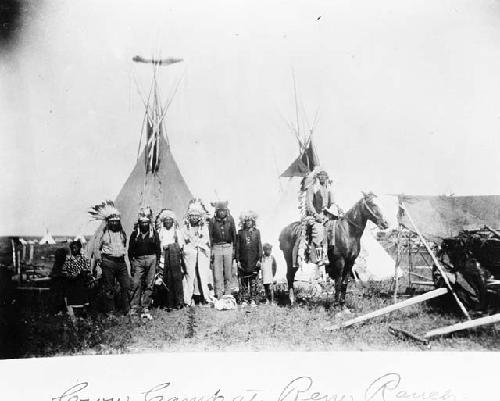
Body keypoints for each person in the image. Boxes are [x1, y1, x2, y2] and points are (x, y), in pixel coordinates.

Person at [89, 201, 130, 316]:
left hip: (121, 263)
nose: (114, 224)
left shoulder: (122, 233)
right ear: (108, 222)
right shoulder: (103, 233)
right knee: (109, 288)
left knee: (126, 285)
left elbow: (125, 244)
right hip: (108, 262)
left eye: (116, 222)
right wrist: (99, 260)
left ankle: (126, 309)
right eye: (112, 222)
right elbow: (97, 247)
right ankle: (110, 311)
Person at [128, 207, 160, 319]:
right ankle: (134, 306)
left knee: (149, 284)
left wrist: (156, 264)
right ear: (139, 223)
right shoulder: (134, 235)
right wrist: (132, 263)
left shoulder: (154, 234)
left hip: (151, 259)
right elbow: (130, 251)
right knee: (136, 283)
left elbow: (158, 249)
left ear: (149, 223)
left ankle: (146, 305)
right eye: (142, 222)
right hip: (138, 260)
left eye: (146, 222)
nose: (144, 224)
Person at [304, 167, 338, 265]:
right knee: (318, 234)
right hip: (315, 215)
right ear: (317, 178)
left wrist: (330, 214)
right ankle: (319, 258)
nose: (322, 178)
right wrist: (316, 215)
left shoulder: (328, 189)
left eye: (324, 177)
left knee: (333, 234)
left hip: (327, 215)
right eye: (320, 177)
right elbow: (309, 203)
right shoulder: (313, 188)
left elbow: (331, 203)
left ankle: (329, 256)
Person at [182, 199, 213, 306]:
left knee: (203, 276)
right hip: (190, 255)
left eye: (196, 216)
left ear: (199, 217)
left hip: (201, 254)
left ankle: (203, 297)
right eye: (192, 216)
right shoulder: (185, 228)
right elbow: (183, 241)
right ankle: (189, 298)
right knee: (190, 276)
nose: (194, 218)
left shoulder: (204, 227)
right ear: (189, 217)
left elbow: (206, 240)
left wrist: (200, 244)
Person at [157, 208, 185, 310]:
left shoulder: (176, 231)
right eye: (166, 220)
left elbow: (180, 245)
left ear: (173, 221)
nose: (168, 222)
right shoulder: (160, 231)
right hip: (163, 258)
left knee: (176, 279)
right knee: (165, 279)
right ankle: (167, 302)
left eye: (170, 220)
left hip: (174, 258)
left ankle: (178, 301)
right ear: (163, 221)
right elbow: (158, 244)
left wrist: (171, 247)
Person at [209, 201, 237, 299]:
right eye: (219, 211)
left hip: (228, 247)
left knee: (228, 272)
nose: (221, 213)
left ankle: (228, 293)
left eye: (223, 211)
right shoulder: (212, 221)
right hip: (216, 247)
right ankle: (219, 294)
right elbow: (210, 236)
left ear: (226, 211)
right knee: (217, 273)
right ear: (216, 211)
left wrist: (234, 250)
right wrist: (211, 250)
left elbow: (234, 235)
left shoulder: (230, 220)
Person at [236, 211, 262, 307]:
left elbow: (259, 246)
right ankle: (244, 300)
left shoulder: (257, 232)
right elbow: (238, 247)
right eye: (246, 221)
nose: (248, 222)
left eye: (250, 221)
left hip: (254, 260)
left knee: (253, 282)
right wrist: (238, 260)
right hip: (243, 261)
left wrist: (259, 259)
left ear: (253, 221)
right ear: (243, 222)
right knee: (243, 282)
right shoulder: (240, 232)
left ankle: (253, 300)